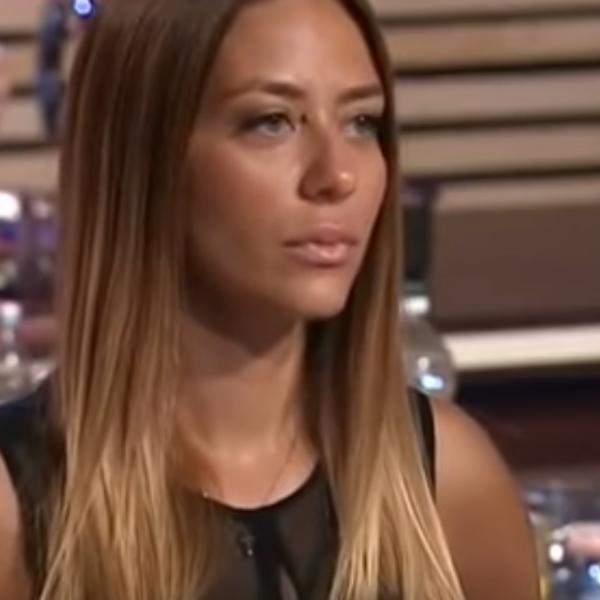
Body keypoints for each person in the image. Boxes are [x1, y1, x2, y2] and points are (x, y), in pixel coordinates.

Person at [0, 0, 540, 599]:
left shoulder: (448, 484)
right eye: (271, 122)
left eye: (361, 122)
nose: (337, 175)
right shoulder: (13, 512)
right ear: (143, 156)